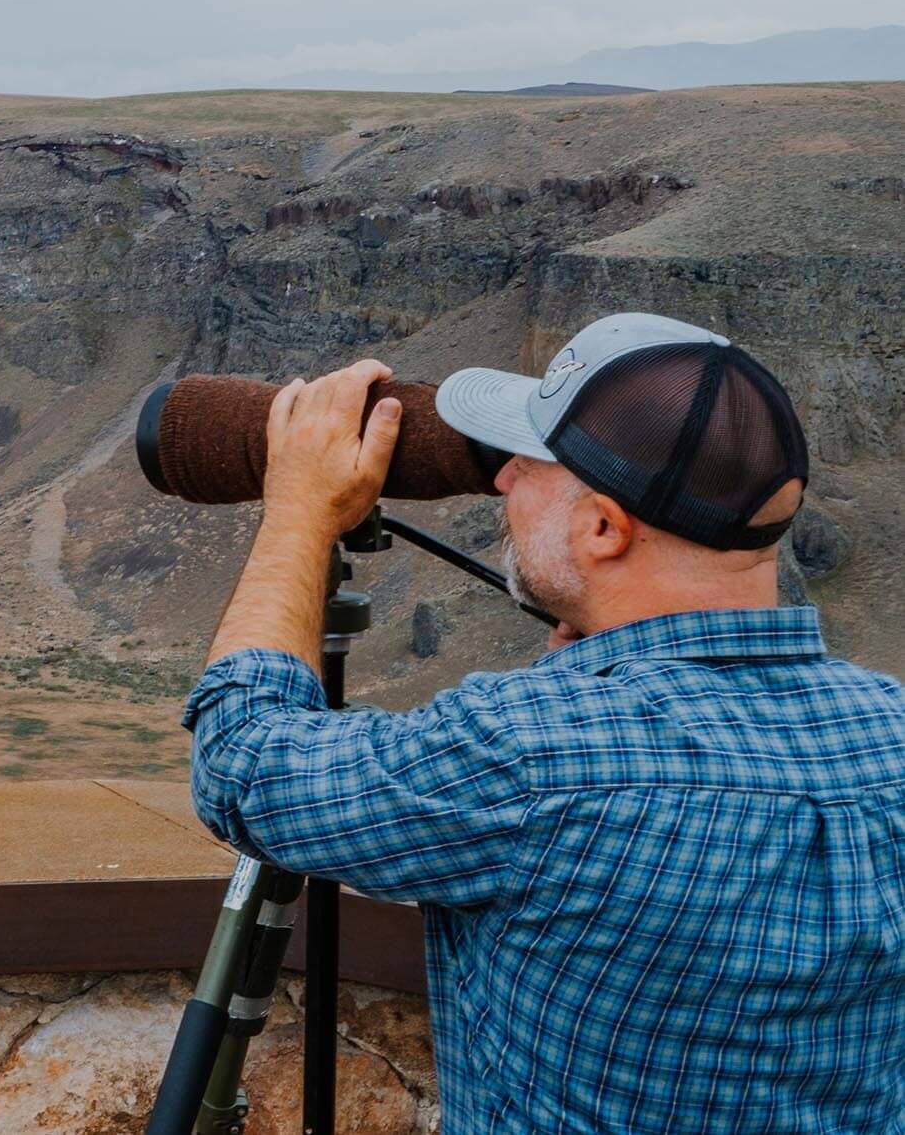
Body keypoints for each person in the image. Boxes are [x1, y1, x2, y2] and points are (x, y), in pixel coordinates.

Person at [184, 312, 905, 1133]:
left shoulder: (526, 753)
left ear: (603, 527)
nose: (502, 483)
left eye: (533, 463)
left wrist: (299, 514)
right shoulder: (890, 732)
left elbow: (242, 761)